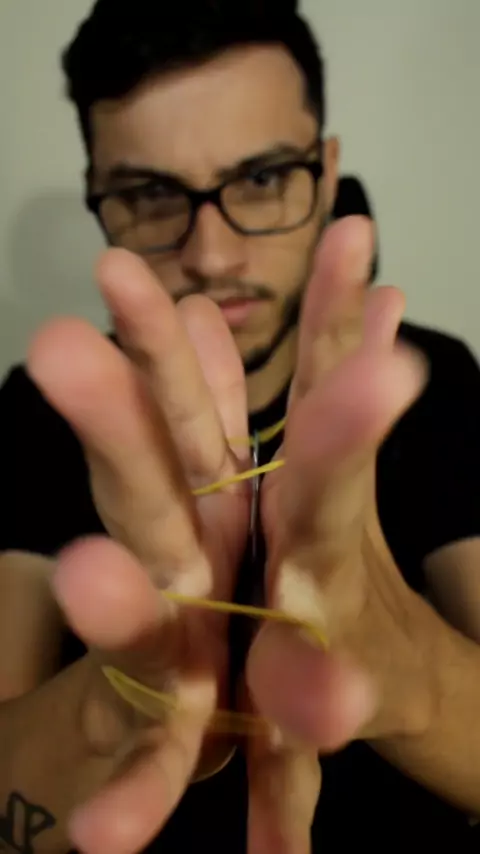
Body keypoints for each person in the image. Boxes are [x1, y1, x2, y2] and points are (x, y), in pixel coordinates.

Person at [1, 1, 480, 851]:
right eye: (151, 193)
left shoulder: (431, 383)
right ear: (97, 197)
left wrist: (406, 670)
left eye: (261, 178)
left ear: (326, 174)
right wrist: (114, 704)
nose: (213, 255)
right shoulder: (47, 410)